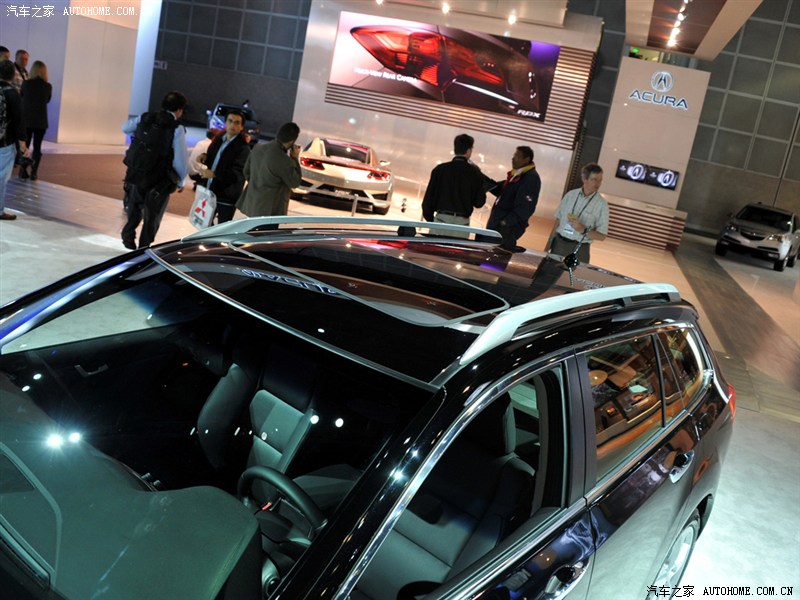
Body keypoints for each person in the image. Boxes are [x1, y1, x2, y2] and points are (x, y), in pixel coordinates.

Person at [120, 90, 189, 249]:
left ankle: (128, 235)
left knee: (134, 208)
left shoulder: (146, 117)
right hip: (158, 179)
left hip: (137, 173)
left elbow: (125, 127)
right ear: (179, 110)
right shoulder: (176, 128)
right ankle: (144, 248)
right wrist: (180, 180)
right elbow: (180, 158)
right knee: (153, 216)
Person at [421, 133, 486, 238]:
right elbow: (479, 202)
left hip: (440, 221)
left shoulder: (440, 170)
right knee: (456, 249)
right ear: (468, 151)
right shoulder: (475, 173)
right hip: (462, 225)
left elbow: (427, 202)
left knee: (435, 248)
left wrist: (432, 221)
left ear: (455, 148)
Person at [236, 121, 301, 218]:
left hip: (252, 204)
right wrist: (295, 158)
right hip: (270, 211)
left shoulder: (257, 148)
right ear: (292, 142)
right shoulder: (284, 160)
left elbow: (246, 172)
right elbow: (295, 182)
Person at [197, 110, 250, 223]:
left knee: (222, 228)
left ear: (241, 127)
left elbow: (238, 174)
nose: (232, 125)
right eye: (230, 121)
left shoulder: (243, 148)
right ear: (225, 123)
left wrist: (215, 174)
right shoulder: (219, 140)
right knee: (204, 225)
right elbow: (215, 159)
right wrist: (205, 157)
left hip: (226, 196)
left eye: (237, 123)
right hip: (210, 191)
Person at [550, 162, 609, 264]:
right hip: (558, 245)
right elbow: (558, 220)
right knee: (550, 272)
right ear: (584, 179)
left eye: (600, 180)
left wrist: (583, 230)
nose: (598, 184)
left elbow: (602, 236)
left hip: (580, 249)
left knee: (574, 275)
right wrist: (550, 242)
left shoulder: (602, 205)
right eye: (594, 179)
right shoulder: (570, 195)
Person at [485, 146, 541, 253]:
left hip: (505, 231)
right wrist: (481, 177)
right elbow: (500, 189)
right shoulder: (517, 175)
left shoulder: (530, 178)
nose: (513, 158)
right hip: (498, 228)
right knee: (488, 257)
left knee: (496, 259)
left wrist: (504, 223)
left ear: (526, 159)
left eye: (517, 156)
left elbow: (525, 208)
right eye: (514, 155)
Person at [0, 59, 29, 221]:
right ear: (12, 75)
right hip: (5, 142)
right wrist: (23, 145)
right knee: (1, 177)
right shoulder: (12, 93)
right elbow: (19, 121)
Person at [20, 60, 51, 180]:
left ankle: (23, 170)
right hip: (41, 121)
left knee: (26, 145)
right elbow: (47, 100)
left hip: (27, 120)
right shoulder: (48, 86)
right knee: (37, 147)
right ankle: (34, 172)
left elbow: (22, 96)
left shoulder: (26, 83)